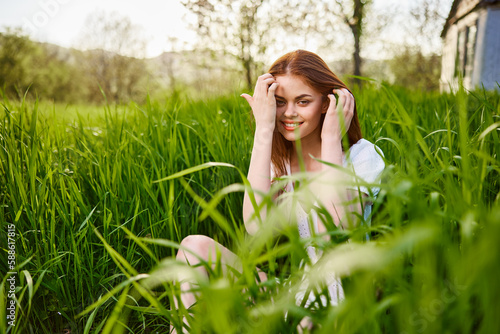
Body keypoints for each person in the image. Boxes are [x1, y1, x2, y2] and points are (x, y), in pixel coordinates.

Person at [171, 49, 384, 333]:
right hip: (298, 291)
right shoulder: (280, 161)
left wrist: (332, 138)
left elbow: (334, 229)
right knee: (193, 248)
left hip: (348, 290)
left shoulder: (361, 156)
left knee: (308, 318)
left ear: (326, 103)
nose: (289, 113)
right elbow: (255, 225)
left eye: (303, 101)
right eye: (280, 102)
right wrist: (263, 128)